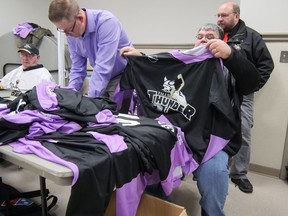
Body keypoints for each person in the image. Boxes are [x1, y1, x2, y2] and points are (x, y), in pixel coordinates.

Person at [120, 23, 260, 216]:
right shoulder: (184, 62)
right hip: (176, 136)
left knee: (214, 175)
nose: (203, 39)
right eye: (200, 36)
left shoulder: (228, 67)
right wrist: (141, 59)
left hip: (211, 139)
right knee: (148, 165)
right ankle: (164, 209)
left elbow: (253, 81)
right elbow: (161, 68)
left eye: (210, 36)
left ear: (221, 41)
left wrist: (230, 55)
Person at [216, 1, 274, 193]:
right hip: (217, 91)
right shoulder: (215, 35)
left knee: (244, 132)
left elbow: (266, 65)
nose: (219, 19)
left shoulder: (251, 37)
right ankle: (216, 168)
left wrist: (251, 87)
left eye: (224, 16)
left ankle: (239, 174)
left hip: (241, 94)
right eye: (218, 15)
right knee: (213, 128)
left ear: (236, 16)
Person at [48, 0, 133, 100]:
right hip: (103, 76)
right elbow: (77, 69)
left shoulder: (107, 22)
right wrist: (69, 96)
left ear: (80, 18)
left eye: (69, 30)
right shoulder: (72, 34)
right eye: (63, 31)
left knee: (111, 109)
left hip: (123, 75)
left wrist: (90, 101)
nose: (67, 35)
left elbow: (103, 67)